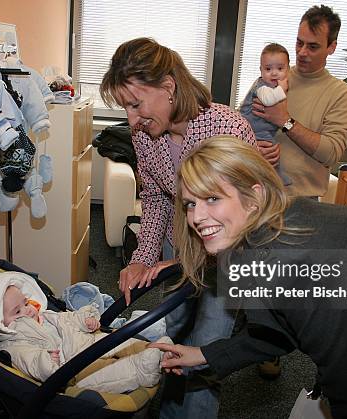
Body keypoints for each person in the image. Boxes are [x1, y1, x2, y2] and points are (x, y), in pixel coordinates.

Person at [150, 136, 347, 419]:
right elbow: (281, 331)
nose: (196, 217)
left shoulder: (288, 261)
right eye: (190, 203)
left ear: (254, 197)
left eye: (213, 199)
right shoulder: (270, 231)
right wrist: (205, 354)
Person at [99, 37, 256, 418]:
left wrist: (185, 265)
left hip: (226, 258)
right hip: (179, 243)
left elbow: (246, 216)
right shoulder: (143, 135)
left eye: (136, 105)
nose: (132, 120)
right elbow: (154, 197)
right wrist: (142, 258)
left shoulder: (225, 127)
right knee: (175, 331)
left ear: (168, 87)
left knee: (204, 347)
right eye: (126, 108)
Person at [0, 267, 171, 393]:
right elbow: (28, 361)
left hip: (88, 342)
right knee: (109, 375)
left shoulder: (45, 316)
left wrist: (85, 319)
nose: (28, 310)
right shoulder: (12, 344)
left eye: (25, 302)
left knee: (121, 342)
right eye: (17, 310)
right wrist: (47, 363)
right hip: (73, 371)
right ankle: (142, 369)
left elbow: (67, 318)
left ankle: (152, 348)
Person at [254, 5, 347, 198]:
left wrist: (285, 121)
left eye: (313, 46)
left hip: (302, 202)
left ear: (331, 47)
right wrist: (253, 147)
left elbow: (331, 153)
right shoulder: (272, 77)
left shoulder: (340, 94)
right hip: (258, 192)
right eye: (299, 43)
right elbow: (241, 125)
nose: (302, 52)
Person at [240, 43, 292, 186]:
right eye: (268, 69)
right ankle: (273, 176)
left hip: (264, 129)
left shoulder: (274, 86)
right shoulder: (262, 87)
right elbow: (269, 100)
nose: (274, 73)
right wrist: (282, 88)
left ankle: (274, 175)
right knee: (270, 148)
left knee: (272, 149)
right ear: (261, 70)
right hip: (253, 129)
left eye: (280, 68)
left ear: (288, 69)